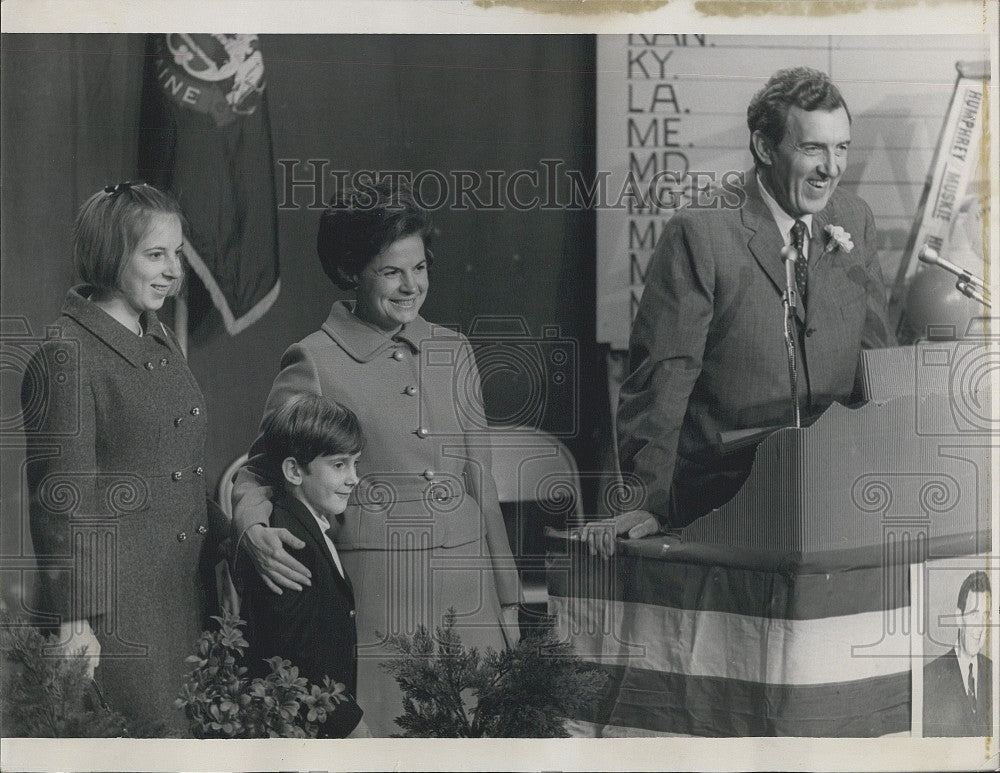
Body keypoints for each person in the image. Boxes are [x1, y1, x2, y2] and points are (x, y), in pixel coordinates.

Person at [229, 178, 521, 736]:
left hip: (472, 600)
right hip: (380, 602)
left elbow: (481, 484)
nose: (411, 285)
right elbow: (259, 470)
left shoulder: (455, 350)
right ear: (351, 272)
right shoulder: (314, 360)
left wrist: (507, 599)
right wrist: (252, 530)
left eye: (420, 268)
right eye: (391, 271)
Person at [584, 67, 892, 554]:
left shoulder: (854, 220)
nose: (831, 168)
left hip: (834, 494)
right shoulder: (701, 232)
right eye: (812, 148)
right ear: (765, 148)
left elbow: (877, 361)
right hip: (725, 497)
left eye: (842, 148)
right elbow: (662, 379)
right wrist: (648, 501)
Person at [22, 182, 211, 735]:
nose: (174, 270)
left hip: (179, 596)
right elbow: (62, 501)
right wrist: (75, 621)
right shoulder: (67, 354)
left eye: (177, 253)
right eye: (156, 254)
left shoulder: (156, 340)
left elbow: (180, 468)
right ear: (110, 255)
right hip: (114, 616)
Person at [239, 394, 368, 738]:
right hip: (306, 724)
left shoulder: (310, 526)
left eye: (355, 463)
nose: (353, 478)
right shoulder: (291, 544)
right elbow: (293, 651)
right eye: (339, 465)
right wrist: (350, 723)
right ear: (295, 471)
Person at [923, 570, 993, 737]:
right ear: (959, 618)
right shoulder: (929, 678)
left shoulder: (995, 673)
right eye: (974, 615)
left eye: (986, 615)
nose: (980, 626)